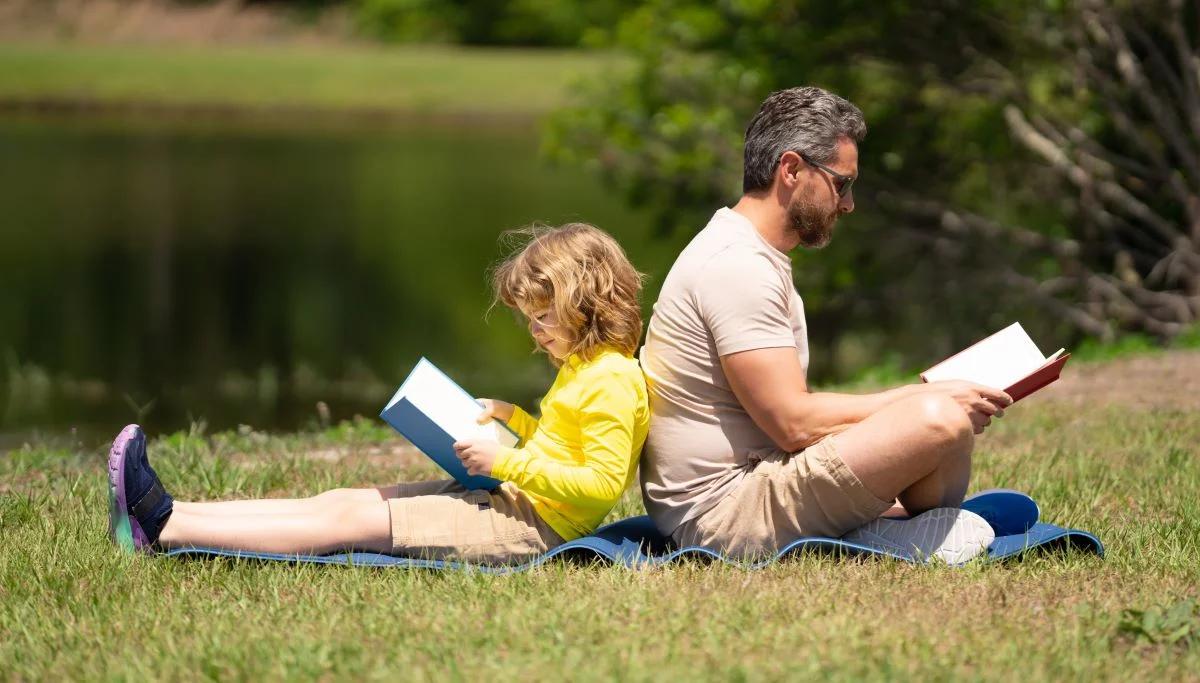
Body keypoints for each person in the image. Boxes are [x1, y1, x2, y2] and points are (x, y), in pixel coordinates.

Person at [106, 223, 650, 565]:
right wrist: (516, 422)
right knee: (342, 501)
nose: (535, 330)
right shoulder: (584, 366)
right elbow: (566, 445)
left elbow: (599, 485)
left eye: (544, 316)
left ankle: (163, 528)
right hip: (514, 497)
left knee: (347, 526)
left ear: (590, 301)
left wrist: (509, 461)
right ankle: (176, 511)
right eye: (529, 318)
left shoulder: (613, 380)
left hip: (534, 528)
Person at [638, 86, 1013, 564]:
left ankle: (890, 527)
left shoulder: (748, 252)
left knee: (939, 419)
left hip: (759, 479)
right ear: (791, 170)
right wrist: (927, 397)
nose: (848, 204)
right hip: (726, 513)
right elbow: (793, 423)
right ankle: (878, 533)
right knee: (938, 419)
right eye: (842, 184)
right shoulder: (736, 265)